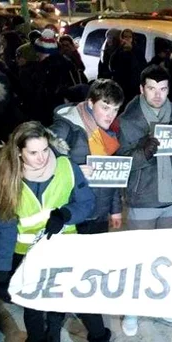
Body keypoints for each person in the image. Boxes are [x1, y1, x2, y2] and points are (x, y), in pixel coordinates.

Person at [0, 122, 119, 342]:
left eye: (45, 150)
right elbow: (2, 229)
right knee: (34, 311)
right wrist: (2, 272)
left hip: (65, 248)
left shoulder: (65, 167)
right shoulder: (6, 177)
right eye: (33, 153)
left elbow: (86, 202)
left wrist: (65, 214)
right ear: (19, 152)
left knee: (85, 301)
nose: (42, 158)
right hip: (28, 256)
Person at [117, 65, 172, 336]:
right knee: (138, 257)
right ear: (142, 89)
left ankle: (163, 302)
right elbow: (121, 163)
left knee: (165, 257)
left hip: (171, 197)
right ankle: (132, 310)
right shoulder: (128, 119)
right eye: (152, 88)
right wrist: (143, 151)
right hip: (142, 198)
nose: (157, 95)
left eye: (163, 89)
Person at [51, 79, 125, 234]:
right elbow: (43, 166)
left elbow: (112, 175)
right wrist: (74, 171)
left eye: (115, 109)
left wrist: (115, 209)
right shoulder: (66, 127)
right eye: (105, 108)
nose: (110, 116)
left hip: (100, 214)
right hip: (73, 213)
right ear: (91, 103)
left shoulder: (108, 133)